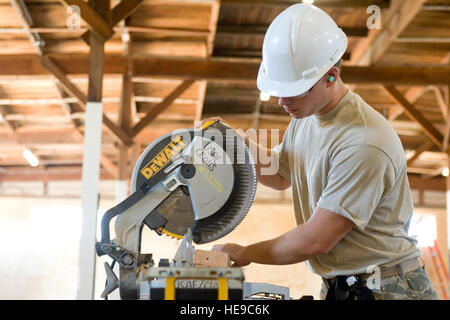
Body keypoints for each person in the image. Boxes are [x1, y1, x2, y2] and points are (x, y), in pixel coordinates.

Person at [203, 4, 439, 300]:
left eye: (295, 90)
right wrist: (236, 141)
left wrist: (245, 252)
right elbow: (279, 172)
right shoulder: (307, 117)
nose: (281, 101)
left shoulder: (363, 141)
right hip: (343, 284)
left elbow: (316, 239)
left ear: (331, 76)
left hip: (387, 288)